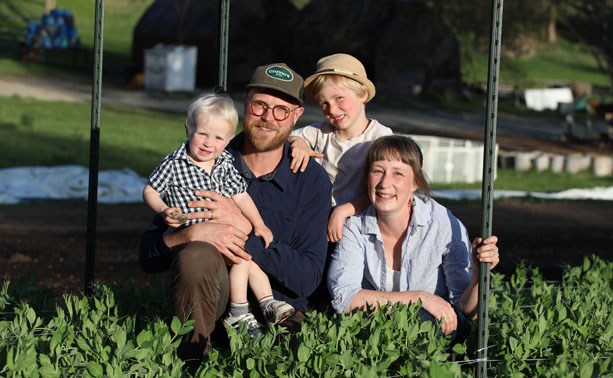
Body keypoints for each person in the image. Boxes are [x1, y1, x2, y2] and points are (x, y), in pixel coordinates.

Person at [139, 63, 332, 368]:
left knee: (296, 359)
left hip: (278, 314)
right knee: (197, 254)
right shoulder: (205, 153)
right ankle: (193, 360)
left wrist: (244, 230)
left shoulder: (311, 180)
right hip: (214, 309)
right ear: (245, 105)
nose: (268, 117)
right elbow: (148, 257)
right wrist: (188, 234)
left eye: (281, 110)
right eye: (260, 105)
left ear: (296, 117)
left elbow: (307, 279)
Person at [142, 93, 293, 337]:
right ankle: (238, 310)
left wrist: (260, 224)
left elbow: (241, 196)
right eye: (202, 133)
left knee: (246, 257)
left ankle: (267, 303)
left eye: (218, 138)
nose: (208, 143)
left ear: (228, 139)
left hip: (223, 233)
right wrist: (163, 209)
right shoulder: (174, 163)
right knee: (236, 260)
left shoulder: (224, 163)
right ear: (188, 128)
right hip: (191, 231)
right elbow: (150, 189)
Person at [326, 135, 500, 344]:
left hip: (433, 331)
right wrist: (420, 298)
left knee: (423, 323)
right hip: (376, 330)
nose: (384, 183)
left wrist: (479, 275)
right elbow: (344, 299)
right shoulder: (354, 226)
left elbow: (467, 310)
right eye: (377, 171)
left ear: (415, 182)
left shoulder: (443, 223)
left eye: (398, 173)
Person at [288, 53, 393, 243]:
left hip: (363, 222)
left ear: (363, 94)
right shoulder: (320, 132)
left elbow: (382, 188)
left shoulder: (379, 137)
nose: (332, 110)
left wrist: (344, 210)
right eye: (324, 103)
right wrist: (299, 143)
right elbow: (285, 137)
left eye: (339, 98)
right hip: (320, 220)